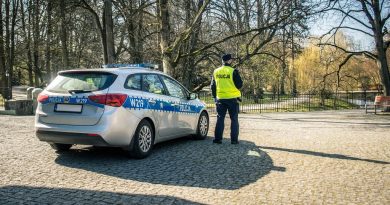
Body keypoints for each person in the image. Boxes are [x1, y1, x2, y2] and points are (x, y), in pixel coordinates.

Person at [210, 54, 243, 144]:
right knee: (234, 119)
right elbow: (239, 85)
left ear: (222, 61)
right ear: (229, 61)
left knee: (220, 118)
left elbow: (213, 86)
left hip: (220, 98)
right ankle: (234, 140)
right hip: (232, 98)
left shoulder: (216, 71)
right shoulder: (233, 71)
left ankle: (217, 139)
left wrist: (214, 97)